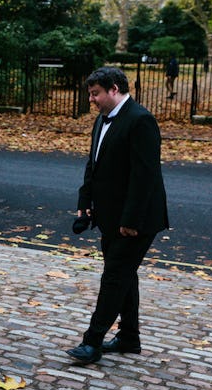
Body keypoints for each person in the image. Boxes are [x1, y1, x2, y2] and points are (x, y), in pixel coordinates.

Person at [66, 66, 169, 365]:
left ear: (114, 89)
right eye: (90, 94)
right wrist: (85, 202)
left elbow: (145, 177)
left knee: (114, 277)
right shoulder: (102, 119)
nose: (92, 100)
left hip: (136, 221)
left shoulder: (141, 121)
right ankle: (129, 337)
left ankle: (92, 342)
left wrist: (130, 221)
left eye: (95, 93)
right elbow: (94, 165)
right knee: (124, 275)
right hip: (111, 217)